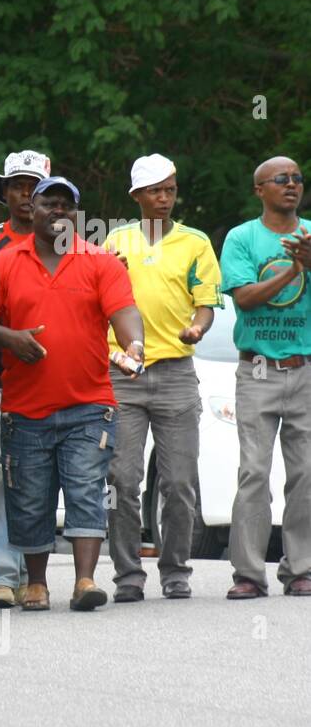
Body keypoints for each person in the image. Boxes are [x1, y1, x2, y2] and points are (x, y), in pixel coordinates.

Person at [0, 177, 145, 613]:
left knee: (86, 490)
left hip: (89, 404)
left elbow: (124, 311)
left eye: (66, 205)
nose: (57, 211)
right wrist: (13, 339)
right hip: (24, 406)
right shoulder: (3, 263)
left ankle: (85, 580)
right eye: (48, 204)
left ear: (75, 213)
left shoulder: (99, 262)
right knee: (30, 496)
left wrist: (134, 345)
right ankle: (35, 583)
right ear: (30, 209)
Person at [104, 154, 222, 602]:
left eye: (170, 189)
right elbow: (102, 302)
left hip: (175, 371)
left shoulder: (195, 242)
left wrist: (199, 327)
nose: (164, 198)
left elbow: (206, 302)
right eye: (155, 190)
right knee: (123, 479)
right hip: (124, 374)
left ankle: (175, 571)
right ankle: (128, 575)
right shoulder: (116, 241)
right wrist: (112, 351)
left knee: (178, 481)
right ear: (136, 196)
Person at [219, 156, 311, 599]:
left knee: (306, 473)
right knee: (254, 471)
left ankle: (301, 570)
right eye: (281, 179)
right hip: (257, 369)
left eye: (297, 178)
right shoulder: (242, 238)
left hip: (305, 368)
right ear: (260, 189)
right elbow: (247, 299)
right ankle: (249, 575)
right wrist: (296, 270)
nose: (292, 185)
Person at [0, 149, 50, 608]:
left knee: (34, 480)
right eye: (18, 185)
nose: (26, 194)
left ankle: (30, 574)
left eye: (35, 187)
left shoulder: (66, 244)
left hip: (46, 382)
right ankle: (2, 575)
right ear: (3, 192)